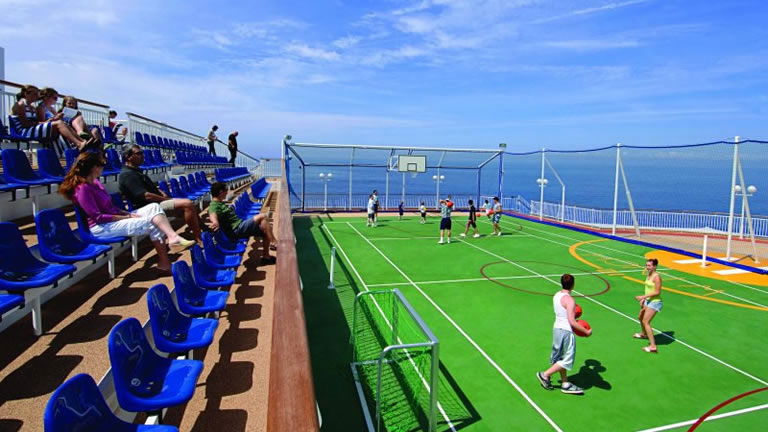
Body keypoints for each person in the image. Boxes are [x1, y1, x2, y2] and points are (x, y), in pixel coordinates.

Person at [59, 152, 194, 273]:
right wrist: (127, 216)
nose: (103, 167)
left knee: (153, 207)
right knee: (152, 223)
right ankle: (165, 263)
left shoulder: (95, 184)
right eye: (101, 164)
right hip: (99, 228)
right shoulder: (82, 189)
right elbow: (98, 217)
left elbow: (111, 207)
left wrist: (126, 214)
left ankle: (172, 237)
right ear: (93, 167)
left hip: (111, 221)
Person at [118, 145, 203, 243]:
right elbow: (146, 196)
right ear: (128, 157)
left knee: (188, 205)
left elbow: (152, 187)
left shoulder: (136, 171)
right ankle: (199, 239)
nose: (142, 155)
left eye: (142, 153)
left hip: (155, 204)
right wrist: (165, 200)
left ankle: (203, 228)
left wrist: (161, 193)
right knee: (187, 204)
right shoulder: (127, 174)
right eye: (139, 153)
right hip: (147, 207)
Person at [536, 274, 591, 395]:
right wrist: (586, 331)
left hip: (557, 329)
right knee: (567, 359)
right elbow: (571, 321)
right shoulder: (570, 300)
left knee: (560, 357)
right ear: (573, 285)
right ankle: (545, 375)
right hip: (566, 331)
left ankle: (565, 383)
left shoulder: (557, 295)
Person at [9, 85, 92, 153]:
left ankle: (83, 142)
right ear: (25, 93)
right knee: (59, 123)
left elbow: (36, 122)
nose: (36, 96)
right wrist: (49, 121)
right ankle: (79, 144)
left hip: (32, 128)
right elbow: (25, 124)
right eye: (33, 93)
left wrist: (49, 121)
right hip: (24, 131)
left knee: (64, 124)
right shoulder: (20, 105)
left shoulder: (32, 107)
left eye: (36, 94)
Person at [208, 182, 276, 263]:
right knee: (263, 216)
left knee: (265, 230)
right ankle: (274, 242)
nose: (227, 192)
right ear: (221, 192)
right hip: (236, 229)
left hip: (240, 226)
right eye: (226, 190)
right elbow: (212, 214)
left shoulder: (220, 203)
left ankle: (266, 257)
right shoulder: (214, 205)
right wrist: (215, 222)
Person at [634, 258, 663, 353]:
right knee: (640, 317)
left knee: (646, 322)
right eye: (646, 265)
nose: (647, 267)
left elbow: (657, 292)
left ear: (655, 266)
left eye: (649, 266)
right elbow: (648, 288)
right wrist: (644, 299)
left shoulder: (657, 277)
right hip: (648, 300)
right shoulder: (648, 274)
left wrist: (643, 296)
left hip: (655, 302)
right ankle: (643, 334)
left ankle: (653, 346)